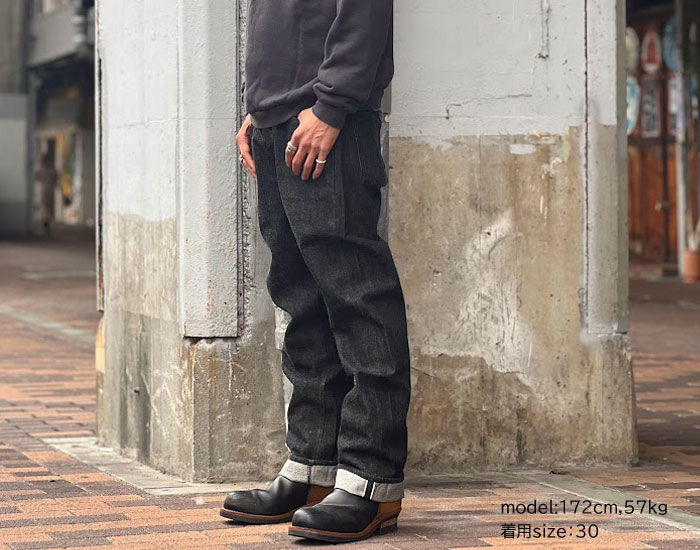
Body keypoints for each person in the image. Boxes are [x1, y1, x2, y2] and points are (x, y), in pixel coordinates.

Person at [220, 0, 411, 543]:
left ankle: (372, 481)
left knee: (357, 296)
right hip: (276, 119)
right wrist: (258, 107)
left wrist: (331, 105)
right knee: (301, 300)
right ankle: (312, 468)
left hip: (327, 119)